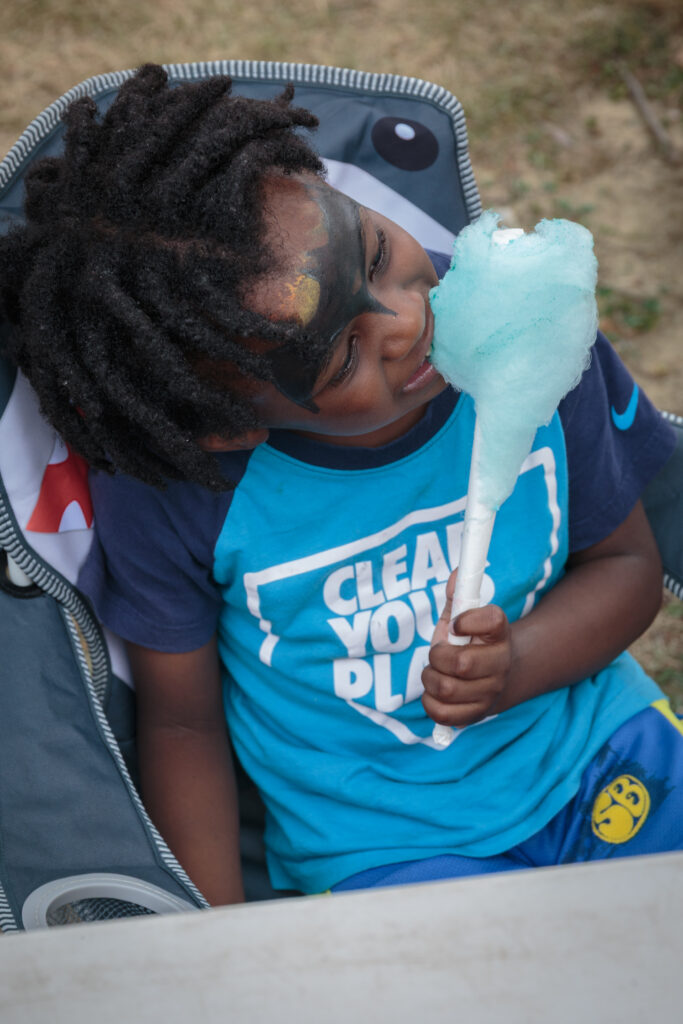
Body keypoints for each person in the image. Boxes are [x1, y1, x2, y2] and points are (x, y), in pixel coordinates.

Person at [1, 64, 680, 906]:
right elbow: (182, 724)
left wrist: (517, 665)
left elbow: (626, 567)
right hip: (379, 848)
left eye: (377, 251)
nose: (407, 320)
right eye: (345, 354)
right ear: (227, 420)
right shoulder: (184, 491)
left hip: (599, 750)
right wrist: (216, 950)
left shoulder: (527, 346)